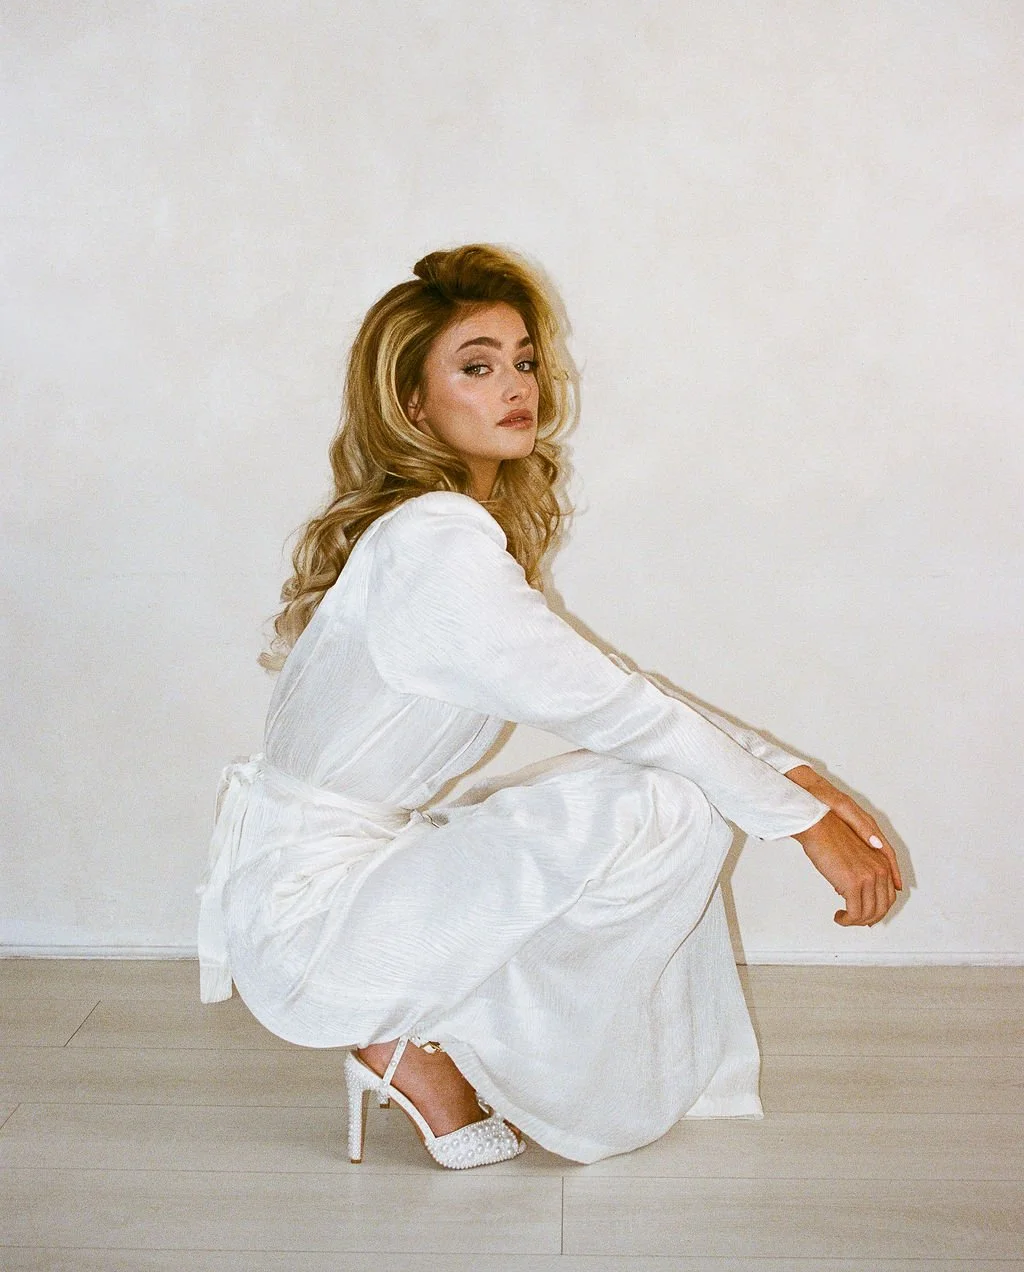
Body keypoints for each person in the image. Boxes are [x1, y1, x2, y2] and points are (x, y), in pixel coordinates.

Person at [197, 244, 901, 1169]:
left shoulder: (440, 537)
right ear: (413, 404)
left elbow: (617, 690)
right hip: (315, 928)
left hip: (353, 884)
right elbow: (623, 711)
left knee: (660, 790)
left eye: (523, 361)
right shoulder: (434, 548)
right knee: (661, 803)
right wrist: (800, 818)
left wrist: (796, 778)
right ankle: (419, 1036)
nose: (515, 386)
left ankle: (437, 1035)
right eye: (477, 366)